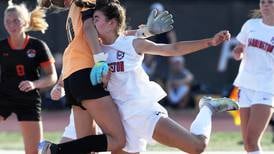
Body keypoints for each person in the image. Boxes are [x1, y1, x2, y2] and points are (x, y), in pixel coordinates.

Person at [89, 2, 239, 154]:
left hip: (141, 110)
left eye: (96, 18)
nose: (91, 23)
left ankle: (207, 107)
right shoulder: (95, 49)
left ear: (112, 23)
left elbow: (172, 49)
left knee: (196, 147)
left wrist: (209, 42)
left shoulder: (131, 43)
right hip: (117, 118)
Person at [38, 0, 175, 154]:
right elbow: (90, 28)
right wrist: (100, 59)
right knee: (118, 140)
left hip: (72, 76)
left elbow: (112, 34)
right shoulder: (84, 4)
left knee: (87, 147)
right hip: (85, 73)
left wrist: (144, 32)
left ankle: (55, 149)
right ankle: (55, 150)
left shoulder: (73, 11)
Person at [0, 1, 57, 154]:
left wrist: (34, 84)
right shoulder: (2, 46)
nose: (11, 25)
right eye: (7, 21)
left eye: (16, 20)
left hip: (28, 100)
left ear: (25, 22)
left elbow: (52, 77)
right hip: (4, 96)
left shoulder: (37, 46)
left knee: (34, 151)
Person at [231, 0, 274, 153]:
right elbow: (240, 47)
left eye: (270, 2)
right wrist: (238, 52)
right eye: (263, 2)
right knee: (248, 145)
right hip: (246, 85)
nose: (266, 5)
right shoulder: (251, 25)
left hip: (266, 88)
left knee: (251, 140)